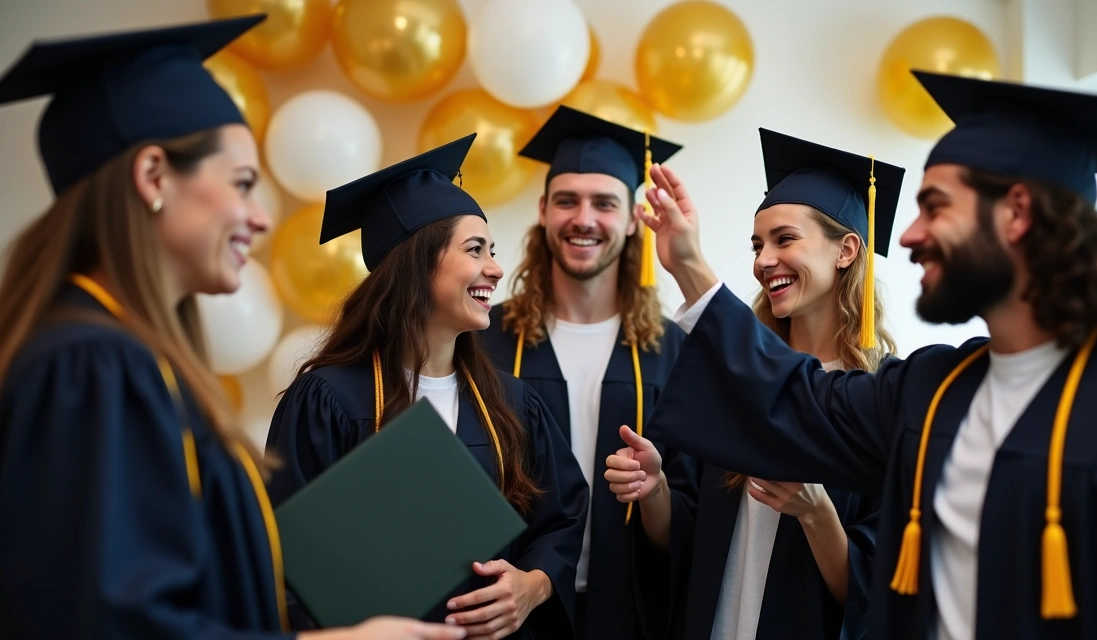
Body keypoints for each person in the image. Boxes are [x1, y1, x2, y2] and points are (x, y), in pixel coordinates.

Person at [635, 71, 1097, 639]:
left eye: (935, 207)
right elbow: (794, 399)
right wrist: (690, 267)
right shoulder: (934, 389)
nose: (909, 235)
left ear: (1016, 212)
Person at [0, 16, 464, 640]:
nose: (259, 218)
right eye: (242, 184)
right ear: (154, 177)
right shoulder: (94, 366)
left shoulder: (125, 356)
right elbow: (108, 623)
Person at [265, 134, 589, 640]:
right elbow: (285, 556)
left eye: (493, 250)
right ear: (417, 263)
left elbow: (561, 519)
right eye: (475, 249)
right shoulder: (331, 400)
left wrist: (534, 585)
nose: (496, 268)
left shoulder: (511, 403)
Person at [604, 129, 899, 640]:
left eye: (785, 240)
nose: (764, 260)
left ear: (847, 249)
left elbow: (871, 594)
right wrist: (654, 492)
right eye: (758, 245)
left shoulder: (881, 398)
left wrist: (816, 512)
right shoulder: (733, 383)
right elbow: (689, 541)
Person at [477, 106, 698, 640]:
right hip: (509, 612)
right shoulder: (484, 342)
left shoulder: (674, 351)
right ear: (543, 211)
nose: (583, 218)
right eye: (567, 200)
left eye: (604, 202)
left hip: (631, 613)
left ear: (631, 219)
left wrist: (654, 489)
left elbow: (691, 523)